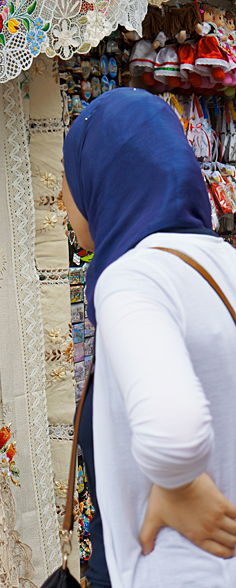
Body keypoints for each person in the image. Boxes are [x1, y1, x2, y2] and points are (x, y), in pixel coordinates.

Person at [61, 88, 236, 588]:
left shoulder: (133, 277)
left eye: (70, 182)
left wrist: (178, 482)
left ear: (100, 180)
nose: (63, 201)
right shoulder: (224, 263)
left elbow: (173, 429)